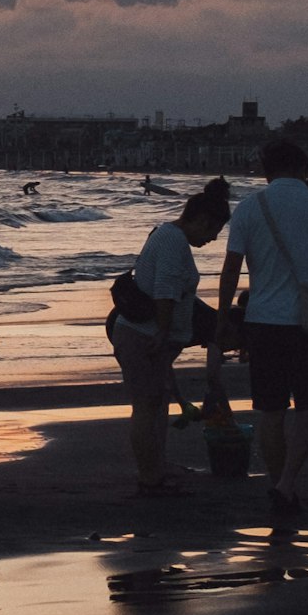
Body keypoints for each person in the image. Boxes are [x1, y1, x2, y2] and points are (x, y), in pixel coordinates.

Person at [215, 138, 308, 532]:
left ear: (265, 170)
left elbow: (231, 269)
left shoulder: (249, 208)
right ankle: (288, 483)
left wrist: (224, 317)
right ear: (305, 170)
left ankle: (279, 484)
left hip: (263, 321)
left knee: (270, 410)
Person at [111, 183, 229, 497]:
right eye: (214, 230)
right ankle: (150, 478)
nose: (213, 238)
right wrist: (163, 333)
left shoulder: (169, 237)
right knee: (146, 407)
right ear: (201, 220)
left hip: (146, 336)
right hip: (143, 336)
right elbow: (165, 291)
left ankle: (156, 470)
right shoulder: (172, 241)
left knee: (154, 404)